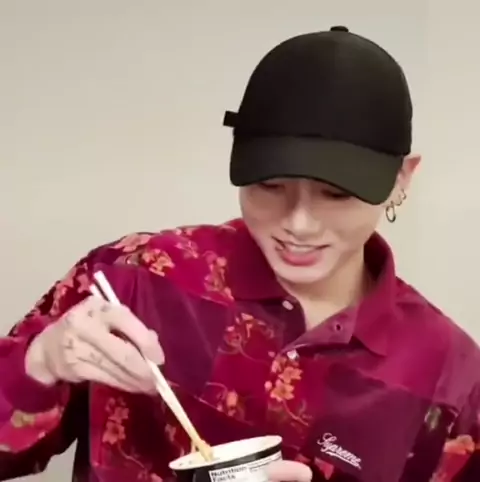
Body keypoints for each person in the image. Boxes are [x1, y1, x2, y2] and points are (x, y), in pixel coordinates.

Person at [0, 26, 478, 482]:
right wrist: (39, 363)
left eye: (336, 194)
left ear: (401, 179)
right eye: (270, 186)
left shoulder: (449, 379)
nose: (299, 224)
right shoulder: (134, 279)